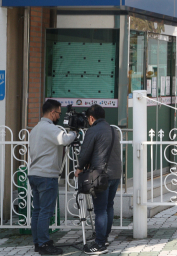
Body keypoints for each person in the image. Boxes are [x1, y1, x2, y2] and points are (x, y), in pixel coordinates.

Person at [28, 99, 77, 255]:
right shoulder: (49, 128)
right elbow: (65, 139)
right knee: (45, 212)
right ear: (52, 112)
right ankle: (43, 244)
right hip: (46, 175)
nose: (59, 116)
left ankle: (38, 242)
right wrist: (75, 132)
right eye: (59, 113)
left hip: (35, 173)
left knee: (37, 210)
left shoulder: (35, 129)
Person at [75, 104, 121, 255]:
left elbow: (85, 152)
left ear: (91, 118)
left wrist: (80, 168)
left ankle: (100, 244)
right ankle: (104, 237)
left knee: (100, 210)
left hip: (101, 176)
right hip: (115, 174)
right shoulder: (113, 130)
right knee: (108, 206)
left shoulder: (93, 130)